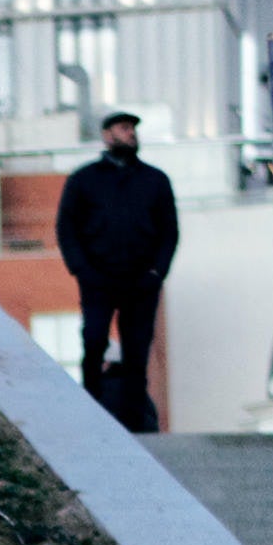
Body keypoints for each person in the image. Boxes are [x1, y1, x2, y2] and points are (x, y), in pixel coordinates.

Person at [56, 105, 179, 433]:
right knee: (94, 341)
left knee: (137, 350)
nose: (130, 133)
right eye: (123, 128)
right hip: (98, 279)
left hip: (141, 281)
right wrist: (82, 269)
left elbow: (169, 231)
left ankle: (135, 421)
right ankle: (93, 412)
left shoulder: (154, 180)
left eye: (132, 128)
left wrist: (157, 273)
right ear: (107, 135)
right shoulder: (84, 180)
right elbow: (67, 227)